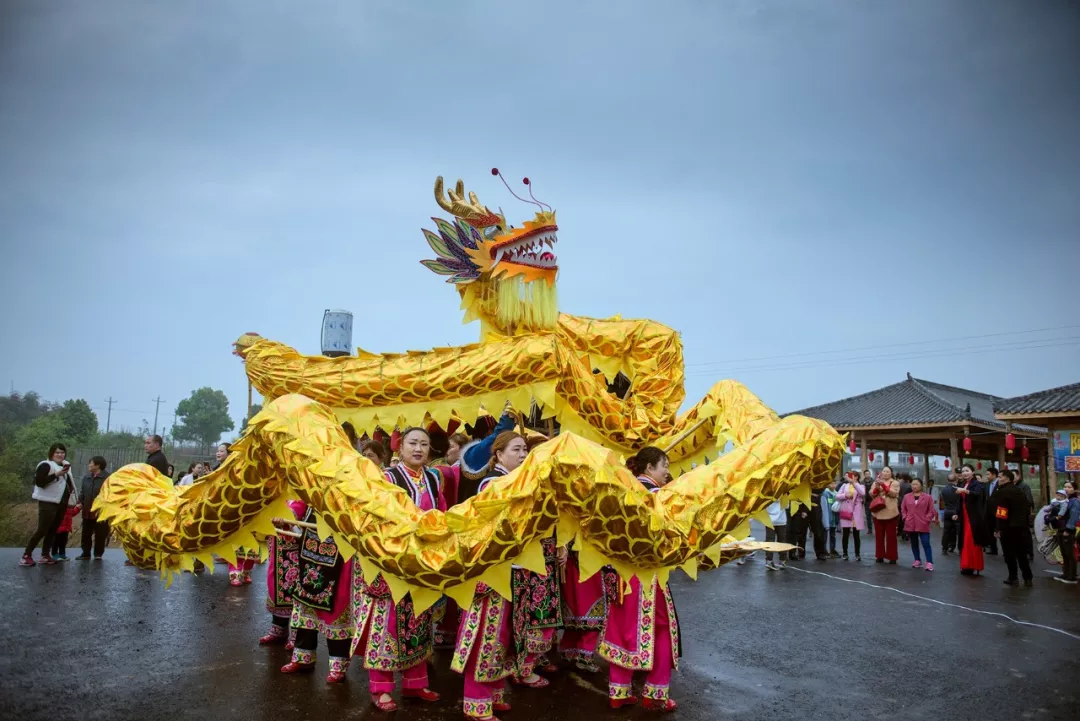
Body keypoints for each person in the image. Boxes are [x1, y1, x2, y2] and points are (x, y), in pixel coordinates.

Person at [352, 427, 444, 711]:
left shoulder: (433, 478)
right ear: (400, 448)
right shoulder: (387, 478)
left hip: (421, 563)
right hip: (390, 563)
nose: (418, 449)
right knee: (387, 623)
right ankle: (380, 689)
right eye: (413, 443)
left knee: (419, 621)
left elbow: (441, 512)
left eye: (424, 444)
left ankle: (416, 684)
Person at [452, 431, 530, 720]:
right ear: (498, 455)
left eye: (525, 450)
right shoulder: (493, 484)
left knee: (503, 633)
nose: (523, 455)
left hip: (509, 570)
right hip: (491, 572)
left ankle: (494, 692)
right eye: (517, 449)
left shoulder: (512, 482)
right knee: (486, 634)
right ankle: (476, 702)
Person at [600, 446, 680, 712]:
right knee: (661, 628)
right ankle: (656, 694)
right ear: (649, 468)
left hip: (617, 571)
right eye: (664, 465)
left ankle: (619, 690)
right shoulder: (656, 496)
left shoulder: (620, 490)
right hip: (646, 575)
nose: (667, 471)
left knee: (621, 627)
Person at [259, 499, 307, 648]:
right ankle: (278, 628)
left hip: (298, 546)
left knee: (296, 588)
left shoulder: (303, 485)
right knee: (276, 584)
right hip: (278, 542)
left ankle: (297, 633)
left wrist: (287, 514)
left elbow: (301, 504)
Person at [20, 443, 77, 567]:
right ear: (51, 453)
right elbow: (39, 482)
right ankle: (26, 555)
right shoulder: (45, 465)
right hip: (47, 502)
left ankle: (45, 555)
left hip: (61, 503)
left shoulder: (66, 466)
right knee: (42, 529)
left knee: (53, 530)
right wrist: (56, 474)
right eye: (57, 452)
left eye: (62, 452)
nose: (60, 455)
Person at [990, 470, 1033, 587]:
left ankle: (1013, 577)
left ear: (1007, 478)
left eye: (1000, 477)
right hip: (1021, 527)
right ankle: (1027, 577)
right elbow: (1027, 507)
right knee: (1021, 553)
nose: (999, 479)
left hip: (1007, 527)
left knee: (1009, 554)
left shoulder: (1002, 492)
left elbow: (1001, 513)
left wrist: (998, 528)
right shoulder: (1019, 491)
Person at [956, 463, 990, 577]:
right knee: (965, 540)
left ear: (973, 472)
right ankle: (967, 565)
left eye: (967, 471)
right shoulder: (964, 483)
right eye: (963, 471)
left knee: (971, 539)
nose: (965, 473)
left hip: (974, 516)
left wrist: (964, 491)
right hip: (965, 515)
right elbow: (960, 501)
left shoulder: (978, 484)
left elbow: (977, 494)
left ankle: (972, 565)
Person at [77, 456, 111, 560]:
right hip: (87, 510)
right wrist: (80, 502)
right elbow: (83, 492)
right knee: (86, 533)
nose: (89, 465)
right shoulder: (87, 477)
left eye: (91, 463)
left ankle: (98, 554)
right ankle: (86, 553)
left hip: (101, 512)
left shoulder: (108, 478)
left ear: (97, 465)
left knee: (101, 534)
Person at [900, 479, 937, 571]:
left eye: (916, 484)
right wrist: (905, 517)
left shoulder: (927, 497)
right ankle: (917, 560)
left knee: (925, 542)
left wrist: (927, 519)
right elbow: (903, 509)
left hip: (923, 523)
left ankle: (929, 562)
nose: (914, 486)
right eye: (913, 484)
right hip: (911, 523)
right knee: (914, 543)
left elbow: (931, 510)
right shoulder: (906, 497)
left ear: (921, 485)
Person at [870, 466, 900, 564]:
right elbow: (871, 494)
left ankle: (892, 557)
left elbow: (894, 494)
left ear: (891, 473)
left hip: (890, 512)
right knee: (879, 536)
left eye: (887, 471)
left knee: (891, 536)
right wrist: (877, 487)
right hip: (878, 512)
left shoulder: (895, 483)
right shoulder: (876, 482)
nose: (885, 473)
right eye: (884, 471)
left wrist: (883, 485)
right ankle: (880, 555)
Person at [1054, 481, 1080, 585]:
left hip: (1067, 530)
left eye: (1069, 487)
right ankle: (1065, 573)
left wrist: (1068, 529)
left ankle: (1072, 576)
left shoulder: (1074, 501)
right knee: (1064, 553)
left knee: (1069, 553)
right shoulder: (1065, 500)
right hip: (1061, 528)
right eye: (1065, 486)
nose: (1066, 488)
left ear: (1074, 489)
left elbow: (1074, 516)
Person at [836, 471, 865, 561]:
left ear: (856, 477)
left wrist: (854, 483)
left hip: (856, 512)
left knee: (856, 535)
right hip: (847, 511)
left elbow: (862, 493)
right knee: (845, 534)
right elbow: (837, 496)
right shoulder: (844, 486)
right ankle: (845, 553)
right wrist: (845, 495)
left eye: (851, 476)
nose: (849, 478)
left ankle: (857, 554)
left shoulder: (861, 486)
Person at [51, 488, 81, 561]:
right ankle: (54, 554)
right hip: (58, 527)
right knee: (56, 541)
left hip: (66, 527)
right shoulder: (57, 505)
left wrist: (78, 508)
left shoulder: (67, 506)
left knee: (63, 541)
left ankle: (62, 554)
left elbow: (71, 513)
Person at [940, 473, 961, 555]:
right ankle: (960, 548)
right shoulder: (957, 489)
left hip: (947, 511)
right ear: (956, 480)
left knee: (946, 531)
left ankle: (945, 547)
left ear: (947, 480)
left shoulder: (943, 489)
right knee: (959, 532)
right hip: (956, 512)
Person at [984, 468, 1001, 555]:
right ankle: (993, 549)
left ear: (994, 474)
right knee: (990, 530)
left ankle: (1007, 551)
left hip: (999, 511)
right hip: (989, 511)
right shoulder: (987, 484)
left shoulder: (1000, 483)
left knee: (1001, 529)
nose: (987, 476)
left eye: (988, 474)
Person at [821, 480, 840, 558]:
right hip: (827, 518)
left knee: (833, 535)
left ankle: (832, 549)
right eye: (831, 483)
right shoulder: (825, 493)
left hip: (834, 518)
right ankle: (825, 550)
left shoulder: (836, 493)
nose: (833, 485)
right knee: (825, 536)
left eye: (834, 483)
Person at [897, 473, 914, 541]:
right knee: (907, 518)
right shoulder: (909, 486)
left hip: (899, 501)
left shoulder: (899, 484)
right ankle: (906, 533)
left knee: (900, 517)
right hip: (907, 502)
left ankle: (899, 531)